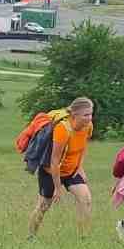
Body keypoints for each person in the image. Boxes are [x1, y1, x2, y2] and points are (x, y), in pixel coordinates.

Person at [27, 97, 93, 238]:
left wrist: (80, 167)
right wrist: (58, 188)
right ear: (74, 115)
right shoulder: (63, 129)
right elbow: (54, 160)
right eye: (86, 115)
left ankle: (84, 237)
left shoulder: (88, 126)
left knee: (86, 199)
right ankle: (31, 236)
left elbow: (83, 147)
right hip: (51, 172)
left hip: (71, 171)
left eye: (90, 114)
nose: (89, 118)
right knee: (44, 205)